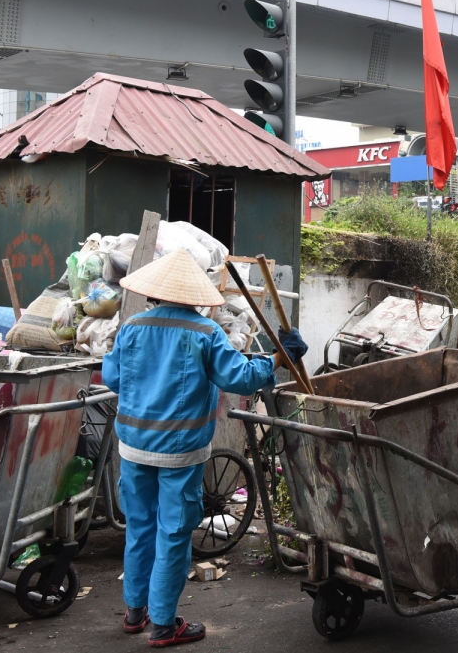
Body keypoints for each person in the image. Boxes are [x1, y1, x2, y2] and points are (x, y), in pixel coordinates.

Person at [103, 249, 307, 647]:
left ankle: (134, 612)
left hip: (133, 448)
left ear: (156, 292)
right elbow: (242, 378)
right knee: (174, 532)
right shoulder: (204, 332)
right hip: (179, 453)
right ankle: (163, 624)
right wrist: (280, 359)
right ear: (193, 295)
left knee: (140, 528)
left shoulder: (131, 327)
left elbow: (112, 376)